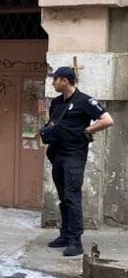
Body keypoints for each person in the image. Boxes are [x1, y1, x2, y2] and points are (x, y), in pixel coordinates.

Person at [46, 66, 114, 257]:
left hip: (74, 156)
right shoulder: (57, 102)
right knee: (63, 197)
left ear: (65, 80)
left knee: (72, 197)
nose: (53, 83)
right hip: (57, 154)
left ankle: (76, 241)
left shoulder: (85, 101)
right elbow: (53, 122)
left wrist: (87, 131)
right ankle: (65, 235)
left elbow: (107, 120)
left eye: (55, 79)